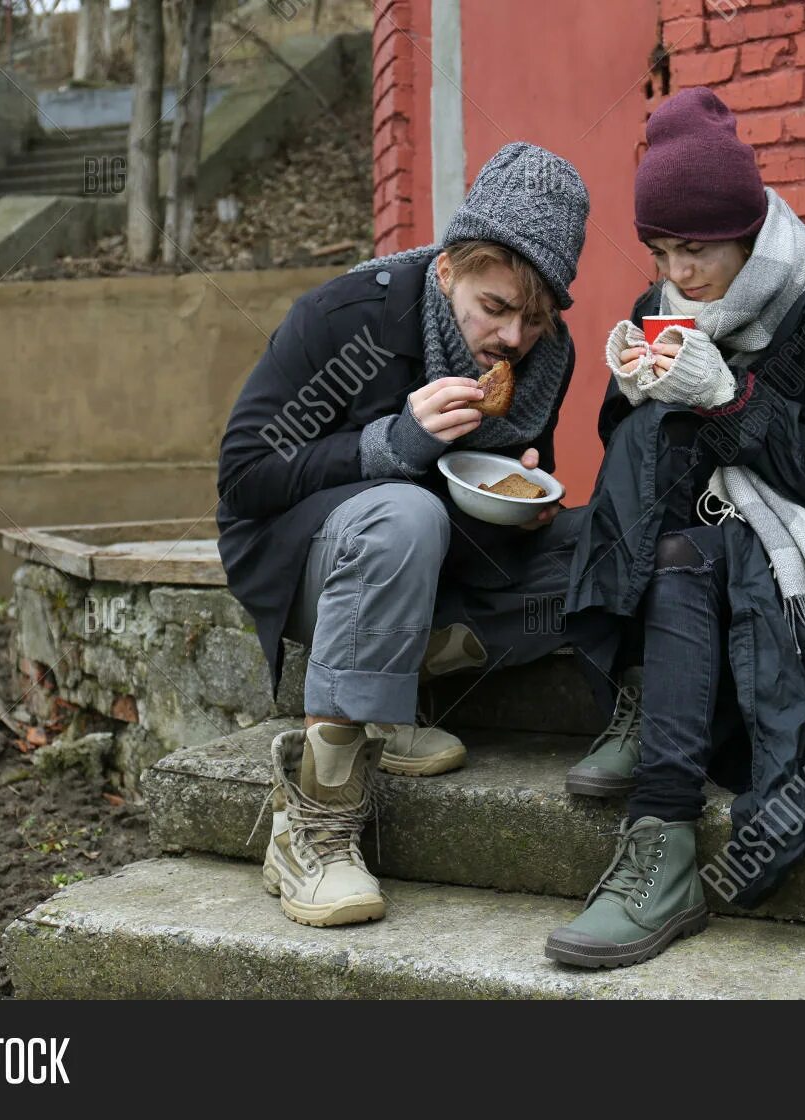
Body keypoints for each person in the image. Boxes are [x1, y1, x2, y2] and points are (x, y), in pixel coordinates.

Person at [547, 89, 805, 968]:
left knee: (711, 557)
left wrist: (729, 397)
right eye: (660, 251)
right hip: (733, 523)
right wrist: (637, 391)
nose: (678, 273)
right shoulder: (672, 305)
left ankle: (664, 821)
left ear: (750, 227)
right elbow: (639, 469)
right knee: (652, 485)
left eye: (696, 249)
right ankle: (654, 742)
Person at [216, 142, 591, 927]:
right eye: (496, 308)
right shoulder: (351, 317)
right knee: (404, 509)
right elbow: (246, 476)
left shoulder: (546, 358)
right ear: (449, 269)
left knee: (606, 547)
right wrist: (394, 443)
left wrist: (529, 498)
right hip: (301, 556)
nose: (515, 338)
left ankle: (390, 690)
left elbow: (506, 487)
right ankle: (311, 829)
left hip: (436, 565)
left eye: (534, 316)